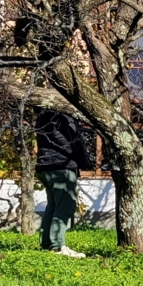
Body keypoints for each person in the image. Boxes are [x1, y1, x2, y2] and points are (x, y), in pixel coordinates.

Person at [34, 110, 93, 258]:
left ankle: (47, 243)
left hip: (44, 165)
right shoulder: (64, 115)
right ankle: (57, 246)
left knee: (53, 205)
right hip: (61, 165)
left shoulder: (42, 115)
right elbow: (75, 141)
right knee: (65, 206)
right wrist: (83, 162)